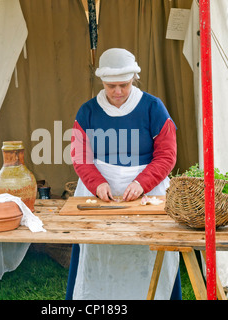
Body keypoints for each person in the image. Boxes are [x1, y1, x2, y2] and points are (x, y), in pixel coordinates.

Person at [66, 48, 181, 300]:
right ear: (102, 83)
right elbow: (79, 155)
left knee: (148, 250)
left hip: (148, 192)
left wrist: (142, 183)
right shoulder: (87, 112)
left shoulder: (153, 107)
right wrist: (96, 184)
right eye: (111, 86)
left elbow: (166, 155)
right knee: (99, 252)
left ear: (134, 80)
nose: (117, 92)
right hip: (98, 192)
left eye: (124, 85)